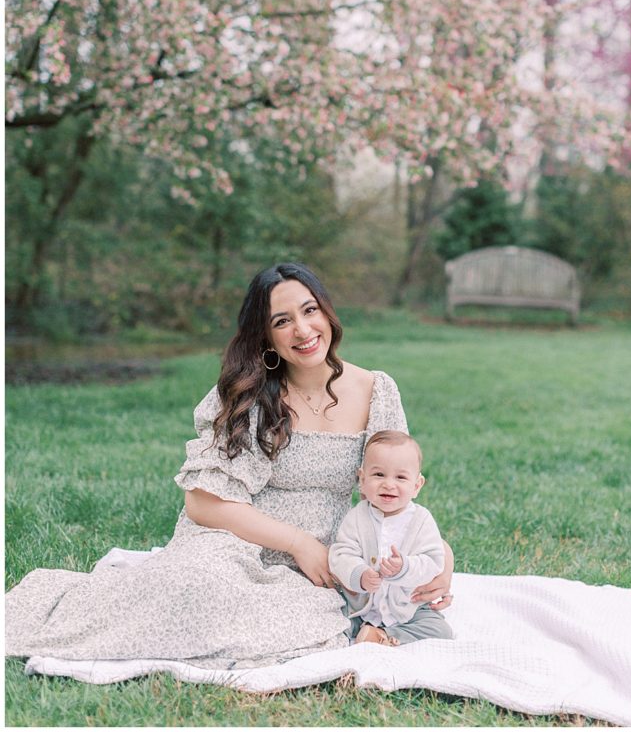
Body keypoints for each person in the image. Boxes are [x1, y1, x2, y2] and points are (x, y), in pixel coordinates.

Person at [5, 263, 453, 670]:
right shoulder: (248, 394)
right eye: (282, 321)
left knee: (305, 614)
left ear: (327, 312)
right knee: (204, 591)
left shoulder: (377, 389)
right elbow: (203, 504)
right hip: (234, 540)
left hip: (324, 559)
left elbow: (397, 492)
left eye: (309, 310)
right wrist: (297, 542)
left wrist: (442, 563)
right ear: (267, 336)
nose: (303, 329)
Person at [330, 430, 454, 646]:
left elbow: (433, 560)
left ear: (417, 486)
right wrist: (360, 574)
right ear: (362, 479)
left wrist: (404, 568)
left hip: (408, 608)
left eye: (400, 477)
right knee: (330, 621)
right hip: (360, 607)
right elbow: (341, 553)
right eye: (379, 475)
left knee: (440, 630)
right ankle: (362, 632)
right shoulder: (357, 517)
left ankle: (386, 636)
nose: (388, 484)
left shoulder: (421, 520)